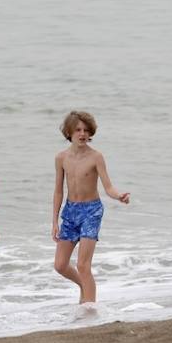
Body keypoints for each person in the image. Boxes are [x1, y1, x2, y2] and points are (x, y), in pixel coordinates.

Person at [52, 110, 130, 305]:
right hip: (70, 212)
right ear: (69, 132)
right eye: (78, 129)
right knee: (60, 265)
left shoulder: (96, 157)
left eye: (86, 130)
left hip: (91, 211)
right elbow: (58, 191)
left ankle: (89, 310)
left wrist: (118, 196)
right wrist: (54, 221)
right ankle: (84, 287)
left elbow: (108, 186)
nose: (82, 134)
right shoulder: (61, 158)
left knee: (83, 265)